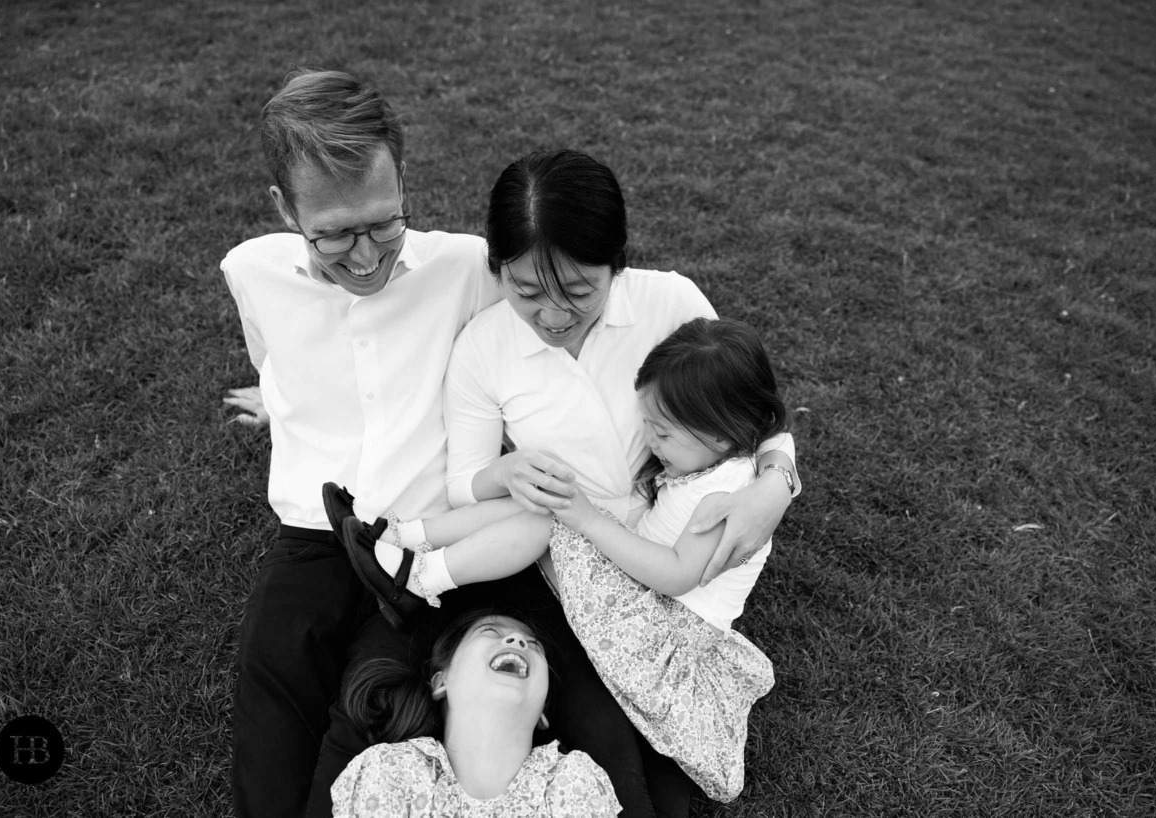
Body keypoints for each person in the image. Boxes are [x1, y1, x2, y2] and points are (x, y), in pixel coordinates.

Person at [318, 149, 803, 815]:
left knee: (629, 766)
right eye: (525, 291)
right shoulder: (485, 349)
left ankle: (410, 561)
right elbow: (466, 482)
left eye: (578, 291)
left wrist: (775, 487)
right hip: (559, 562)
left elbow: (751, 410)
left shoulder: (672, 303)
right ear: (498, 272)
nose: (551, 315)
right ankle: (400, 550)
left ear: (618, 265)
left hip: (639, 563)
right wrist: (502, 472)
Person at [334, 317, 783, 801]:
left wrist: (589, 521)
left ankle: (419, 578)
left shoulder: (727, 491)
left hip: (661, 632)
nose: (651, 442)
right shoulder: (715, 461)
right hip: (643, 605)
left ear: (720, 436)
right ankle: (398, 536)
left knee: (552, 520)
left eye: (662, 433)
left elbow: (676, 575)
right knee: (541, 500)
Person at [220, 68, 500, 818]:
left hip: (423, 544)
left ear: (404, 178)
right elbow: (274, 356)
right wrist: (278, 400)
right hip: (311, 534)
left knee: (379, 714)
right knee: (272, 691)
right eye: (336, 234)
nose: (367, 256)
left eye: (383, 223)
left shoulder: (469, 269)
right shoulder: (250, 272)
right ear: (283, 206)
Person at [331, 610, 621, 816]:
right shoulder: (390, 771)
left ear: (543, 711)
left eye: (534, 646)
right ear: (442, 681)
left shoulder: (572, 781)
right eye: (490, 632)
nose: (518, 641)